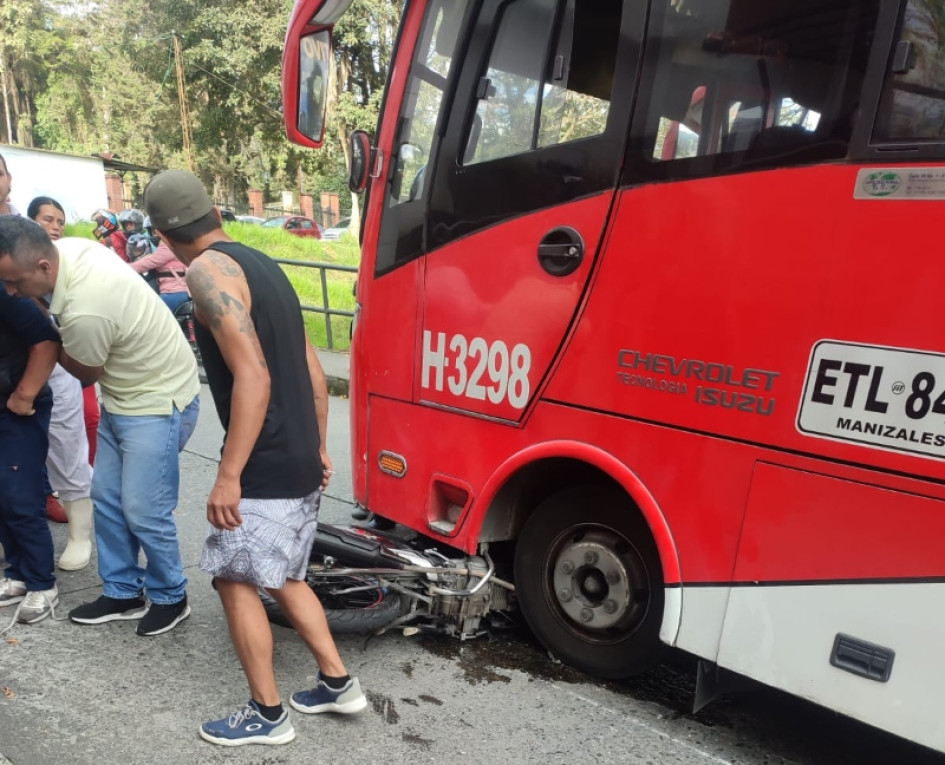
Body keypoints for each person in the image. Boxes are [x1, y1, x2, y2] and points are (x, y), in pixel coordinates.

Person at [144, 169, 366, 747]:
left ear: (163, 233)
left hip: (263, 460)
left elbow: (253, 374)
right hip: (295, 454)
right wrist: (316, 445)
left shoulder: (205, 271)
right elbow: (313, 369)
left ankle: (267, 716)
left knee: (235, 578)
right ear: (214, 212)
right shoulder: (264, 265)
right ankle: (339, 684)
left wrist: (228, 475)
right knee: (287, 574)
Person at [0, 216, 200, 637]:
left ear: (42, 267)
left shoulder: (85, 307)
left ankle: (170, 596)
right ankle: (123, 590)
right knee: (106, 498)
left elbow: (86, 372)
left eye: (15, 282)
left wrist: (49, 333)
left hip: (158, 401)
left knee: (144, 510)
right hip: (127, 395)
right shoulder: (68, 252)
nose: (12, 292)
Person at [27, 196, 96, 570]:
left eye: (59, 220)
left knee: (69, 445)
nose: (54, 226)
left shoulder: (64, 261)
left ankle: (79, 535)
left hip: (58, 367)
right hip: (13, 366)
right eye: (46, 219)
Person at [0, 281, 61, 624]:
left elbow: (47, 339)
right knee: (2, 497)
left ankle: (42, 582)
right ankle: (19, 574)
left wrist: (24, 394)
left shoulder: (2, 289)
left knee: (20, 496)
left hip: (16, 405)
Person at [128, 238, 190, 312]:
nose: (154, 235)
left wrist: (123, 267)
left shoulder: (168, 245)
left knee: (149, 313)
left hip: (174, 292)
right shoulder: (177, 243)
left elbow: (151, 261)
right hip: (177, 291)